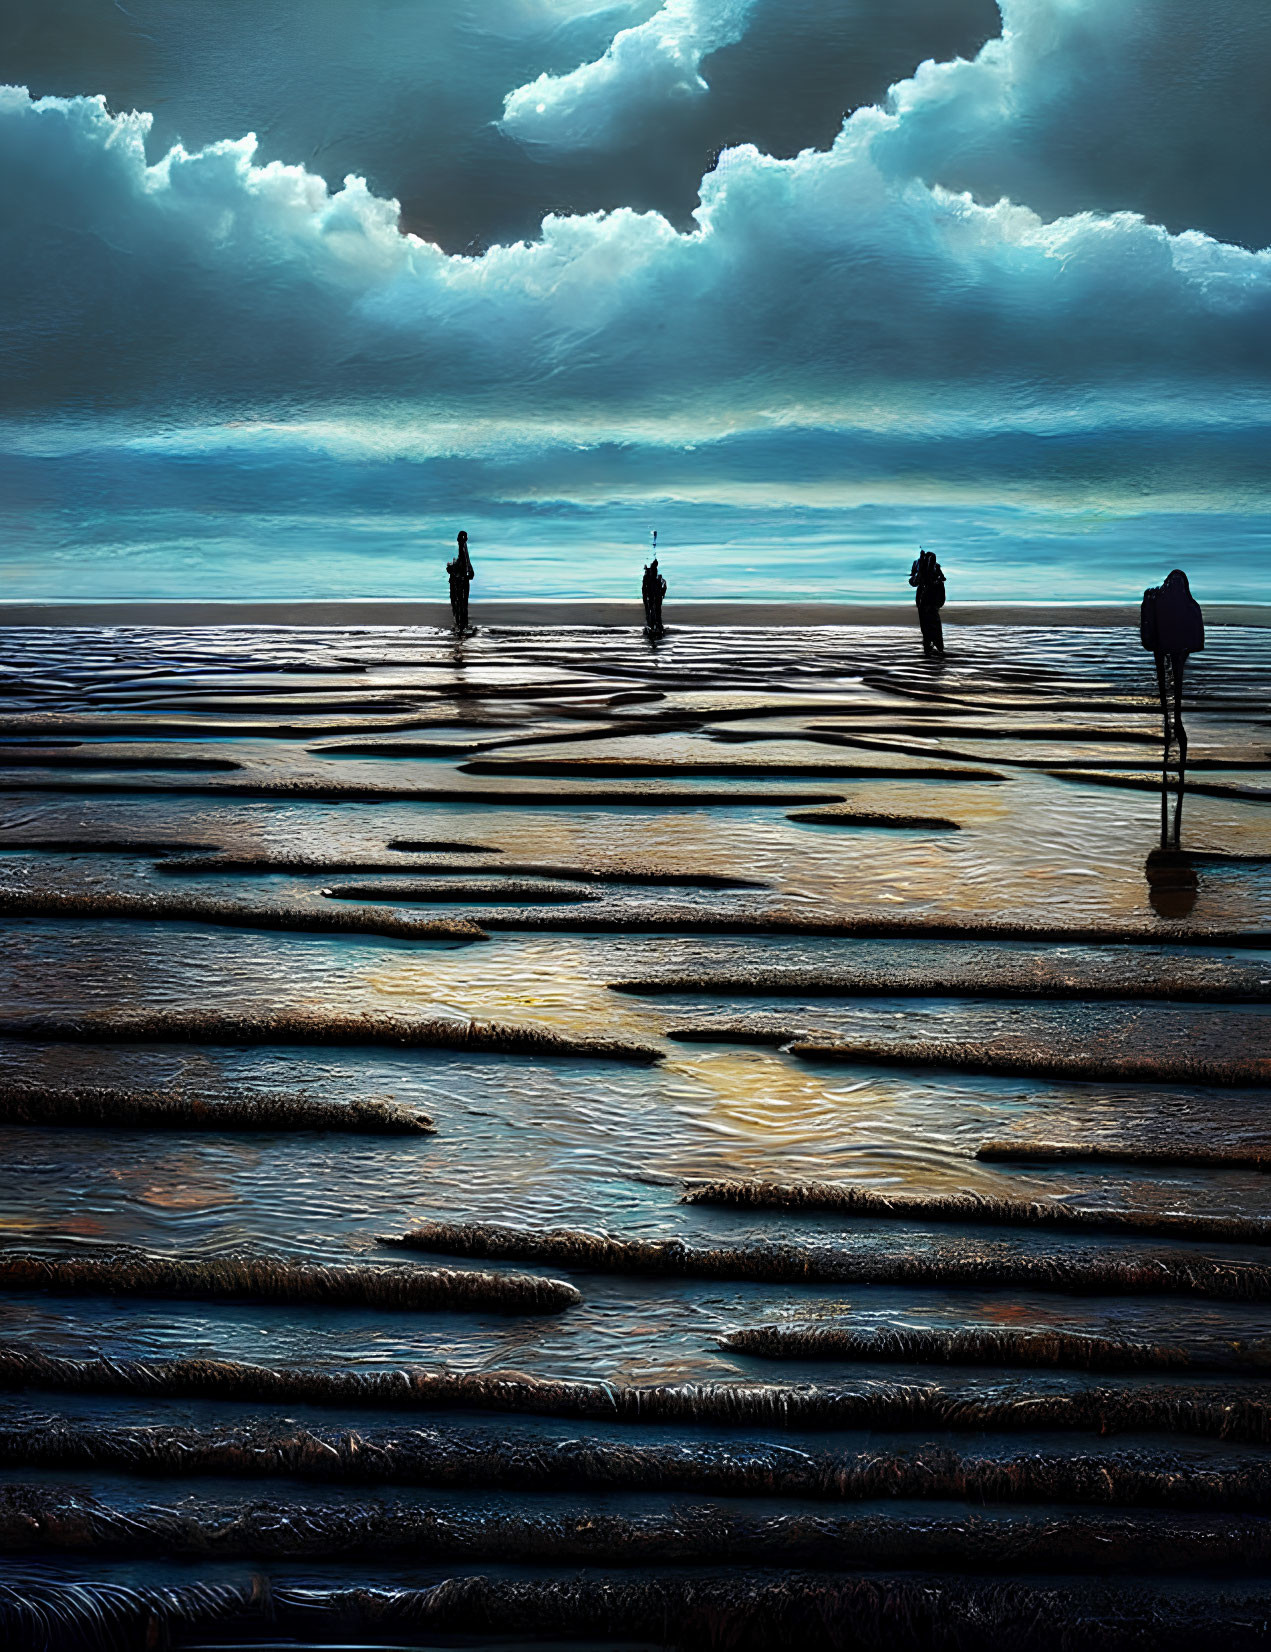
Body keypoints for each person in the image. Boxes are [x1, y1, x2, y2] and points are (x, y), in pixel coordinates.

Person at [1140, 568, 1204, 848]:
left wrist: (1148, 604)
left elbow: (1147, 639)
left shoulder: (1157, 600)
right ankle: (1174, 720)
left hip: (1165, 646)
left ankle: (1171, 721)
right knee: (1174, 685)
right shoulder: (1190, 604)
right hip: (1177, 647)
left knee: (1166, 686)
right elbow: (1198, 639)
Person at [908, 548, 946, 656]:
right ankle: (933, 647)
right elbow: (914, 581)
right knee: (929, 624)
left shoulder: (932, 566)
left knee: (930, 623)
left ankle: (934, 647)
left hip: (930, 598)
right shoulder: (920, 564)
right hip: (927, 599)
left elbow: (914, 581)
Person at [447, 530, 474, 633]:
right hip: (459, 581)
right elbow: (465, 559)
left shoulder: (463, 551)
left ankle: (460, 624)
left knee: (459, 603)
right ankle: (461, 624)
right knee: (461, 603)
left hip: (459, 580)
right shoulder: (463, 551)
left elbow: (465, 559)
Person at [642, 556, 666, 638]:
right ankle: (654, 626)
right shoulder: (649, 579)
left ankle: (655, 626)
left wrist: (663, 586)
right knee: (653, 611)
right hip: (651, 595)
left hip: (653, 596)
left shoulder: (653, 580)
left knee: (654, 611)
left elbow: (660, 592)